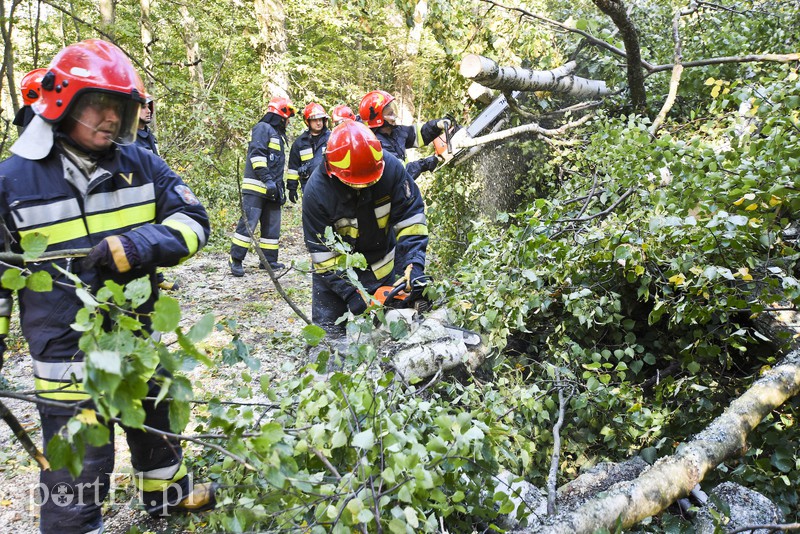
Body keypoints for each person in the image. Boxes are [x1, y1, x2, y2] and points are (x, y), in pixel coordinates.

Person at [0, 39, 213, 533]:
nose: (112, 118)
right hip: (65, 349)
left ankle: (167, 495)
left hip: (135, 335)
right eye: (100, 104)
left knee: (156, 422)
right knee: (81, 456)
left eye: (120, 107)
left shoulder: (141, 166)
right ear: (64, 102)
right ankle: (74, 527)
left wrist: (141, 245)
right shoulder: (11, 182)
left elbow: (195, 221)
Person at [302, 120, 429, 334]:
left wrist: (414, 263)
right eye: (356, 184)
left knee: (393, 334)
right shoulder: (317, 193)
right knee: (328, 339)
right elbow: (322, 254)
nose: (363, 188)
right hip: (334, 274)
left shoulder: (391, 170)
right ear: (334, 171)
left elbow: (411, 221)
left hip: (383, 265)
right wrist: (351, 294)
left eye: (369, 182)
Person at [229, 95, 295, 276]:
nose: (288, 122)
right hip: (256, 188)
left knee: (272, 226)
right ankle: (235, 260)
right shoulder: (262, 128)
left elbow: (277, 164)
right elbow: (257, 155)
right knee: (248, 225)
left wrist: (278, 187)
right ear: (280, 116)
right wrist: (267, 180)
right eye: (287, 118)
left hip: (272, 189)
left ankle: (269, 261)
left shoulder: (278, 135)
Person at [134, 93, 180, 291]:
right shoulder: (127, 138)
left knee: (153, 235)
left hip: (152, 193)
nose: (148, 111)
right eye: (144, 107)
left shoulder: (148, 135)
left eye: (150, 107)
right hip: (136, 197)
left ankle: (155, 277)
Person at [358, 90, 449, 181]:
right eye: (390, 114)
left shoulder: (394, 131)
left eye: (393, 112)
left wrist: (437, 125)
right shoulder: (377, 145)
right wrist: (425, 163)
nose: (394, 116)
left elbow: (418, 135)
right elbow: (400, 174)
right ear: (378, 120)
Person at [286, 102, 330, 203]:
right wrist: (292, 189)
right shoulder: (300, 143)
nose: (318, 123)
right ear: (307, 121)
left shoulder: (332, 138)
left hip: (329, 186)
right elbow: (293, 168)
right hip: (309, 188)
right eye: (315, 120)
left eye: (320, 120)